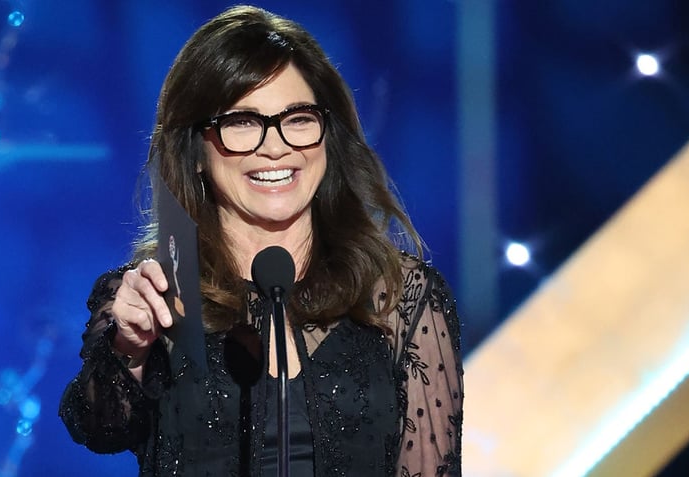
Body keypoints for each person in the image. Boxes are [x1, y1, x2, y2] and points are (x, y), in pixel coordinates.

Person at [59, 5, 463, 476]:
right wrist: (130, 349)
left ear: (327, 137)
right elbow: (100, 428)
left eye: (297, 118)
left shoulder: (400, 296)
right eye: (242, 122)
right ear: (195, 151)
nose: (276, 146)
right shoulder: (154, 299)